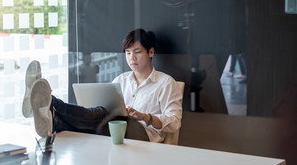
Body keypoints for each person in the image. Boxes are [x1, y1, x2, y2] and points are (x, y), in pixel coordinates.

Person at [22, 29, 183, 143]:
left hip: (143, 134)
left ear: (151, 52)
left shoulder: (166, 83)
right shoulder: (121, 79)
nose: (131, 57)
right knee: (99, 116)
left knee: (103, 115)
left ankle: (51, 104)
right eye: (127, 53)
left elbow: (175, 122)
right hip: (113, 128)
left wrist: (144, 117)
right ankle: (54, 121)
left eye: (137, 52)